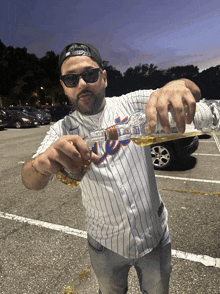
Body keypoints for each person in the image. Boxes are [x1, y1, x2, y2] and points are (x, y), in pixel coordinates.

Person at [22, 42, 201, 294]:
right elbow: (30, 181)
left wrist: (176, 86)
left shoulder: (132, 104)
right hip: (105, 246)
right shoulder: (60, 130)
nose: (82, 84)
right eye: (71, 79)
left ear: (104, 77)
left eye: (90, 74)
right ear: (64, 86)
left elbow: (193, 91)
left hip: (154, 237)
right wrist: (40, 165)